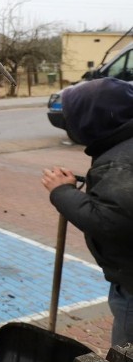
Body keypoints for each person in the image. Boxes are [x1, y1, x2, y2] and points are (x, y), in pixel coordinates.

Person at [41, 77, 133, 348]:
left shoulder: (118, 164)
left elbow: (111, 222)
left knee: (126, 361)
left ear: (90, 122)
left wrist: (62, 192)